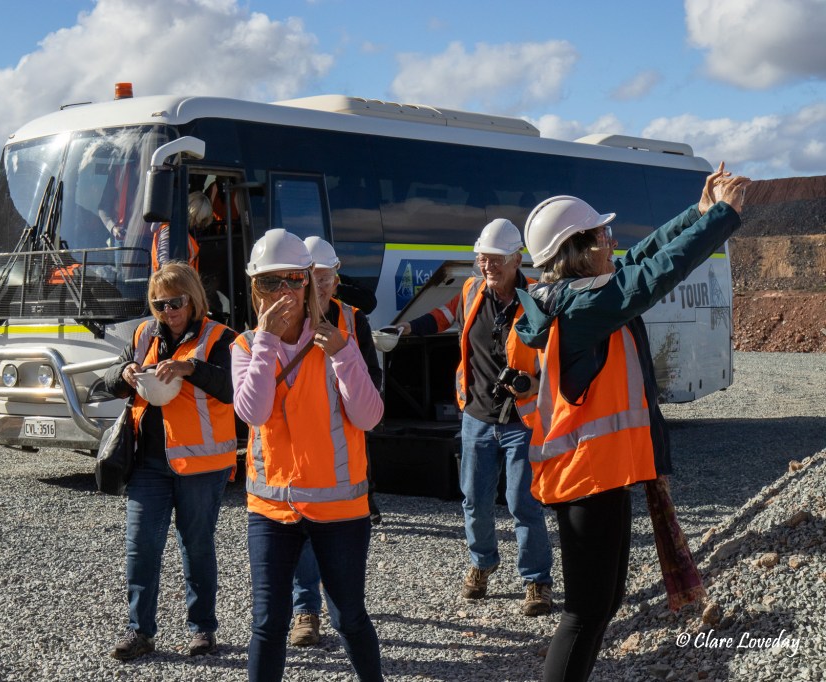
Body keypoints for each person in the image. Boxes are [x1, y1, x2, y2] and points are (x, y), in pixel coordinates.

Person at [508, 164, 749, 681]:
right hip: (586, 477)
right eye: (602, 236)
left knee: (604, 602)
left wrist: (698, 213)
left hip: (600, 474)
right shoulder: (579, 307)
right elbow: (653, 275)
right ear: (577, 249)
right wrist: (723, 217)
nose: (612, 242)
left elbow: (641, 258)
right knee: (585, 610)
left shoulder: (578, 296)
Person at [232, 228, 384, 682]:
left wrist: (343, 356)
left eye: (293, 280)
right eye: (269, 282)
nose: (283, 292)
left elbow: (370, 417)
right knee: (267, 625)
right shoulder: (246, 346)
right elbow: (253, 412)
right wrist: (266, 341)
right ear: (255, 288)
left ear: (307, 282)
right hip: (271, 509)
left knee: (348, 618)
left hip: (339, 508)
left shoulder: (341, 340)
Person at [396, 218, 554, 616]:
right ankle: (482, 563)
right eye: (483, 258)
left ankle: (536, 580)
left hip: (521, 420)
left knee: (523, 502)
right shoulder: (471, 291)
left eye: (496, 259)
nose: (488, 266)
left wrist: (535, 384)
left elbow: (556, 354)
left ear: (517, 259)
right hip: (478, 417)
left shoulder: (537, 297)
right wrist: (405, 329)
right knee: (475, 500)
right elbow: (442, 315)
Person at [103, 261, 237, 661]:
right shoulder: (144, 334)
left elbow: (232, 388)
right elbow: (108, 381)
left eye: (175, 302)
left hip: (203, 465)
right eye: (159, 305)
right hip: (148, 463)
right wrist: (124, 372)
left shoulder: (221, 337)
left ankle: (203, 630)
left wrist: (190, 368)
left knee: (196, 546)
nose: (168, 311)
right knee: (141, 546)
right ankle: (139, 631)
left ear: (193, 299)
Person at [284, 236, 383, 649]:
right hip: (299, 449)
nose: (319, 286)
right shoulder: (284, 321)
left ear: (336, 278)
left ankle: (343, 612)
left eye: (325, 277)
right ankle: (305, 611)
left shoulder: (353, 321)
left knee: (339, 539)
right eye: (312, 278)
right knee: (302, 531)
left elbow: (373, 384)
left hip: (343, 449)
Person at [150, 191, 210, 271]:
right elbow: (165, 266)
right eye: (200, 220)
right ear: (194, 214)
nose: (199, 225)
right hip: (175, 278)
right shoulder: (169, 229)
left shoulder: (181, 230)